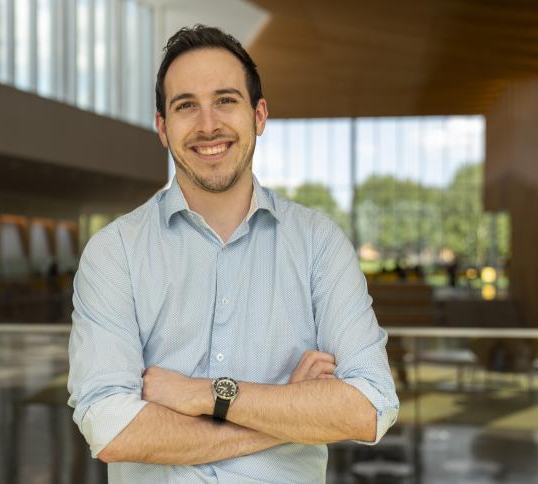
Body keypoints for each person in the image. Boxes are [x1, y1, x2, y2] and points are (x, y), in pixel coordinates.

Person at [67, 25, 398, 482]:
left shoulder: (319, 244)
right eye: (186, 106)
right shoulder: (114, 253)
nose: (208, 126)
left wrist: (206, 395)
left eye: (226, 100)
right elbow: (112, 430)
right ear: (163, 127)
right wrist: (287, 412)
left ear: (259, 115)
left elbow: (370, 405)